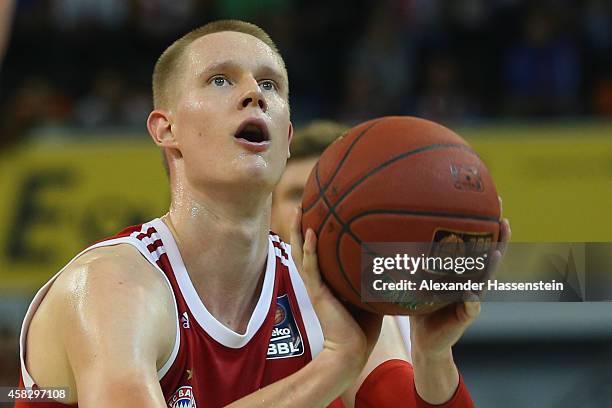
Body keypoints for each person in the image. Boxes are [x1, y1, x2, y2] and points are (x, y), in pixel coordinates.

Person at [17, 20, 510, 407]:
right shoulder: (113, 284)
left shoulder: (320, 284)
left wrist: (432, 354)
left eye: (271, 85)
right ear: (166, 129)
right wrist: (332, 366)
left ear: (286, 137)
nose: (255, 93)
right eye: (219, 79)